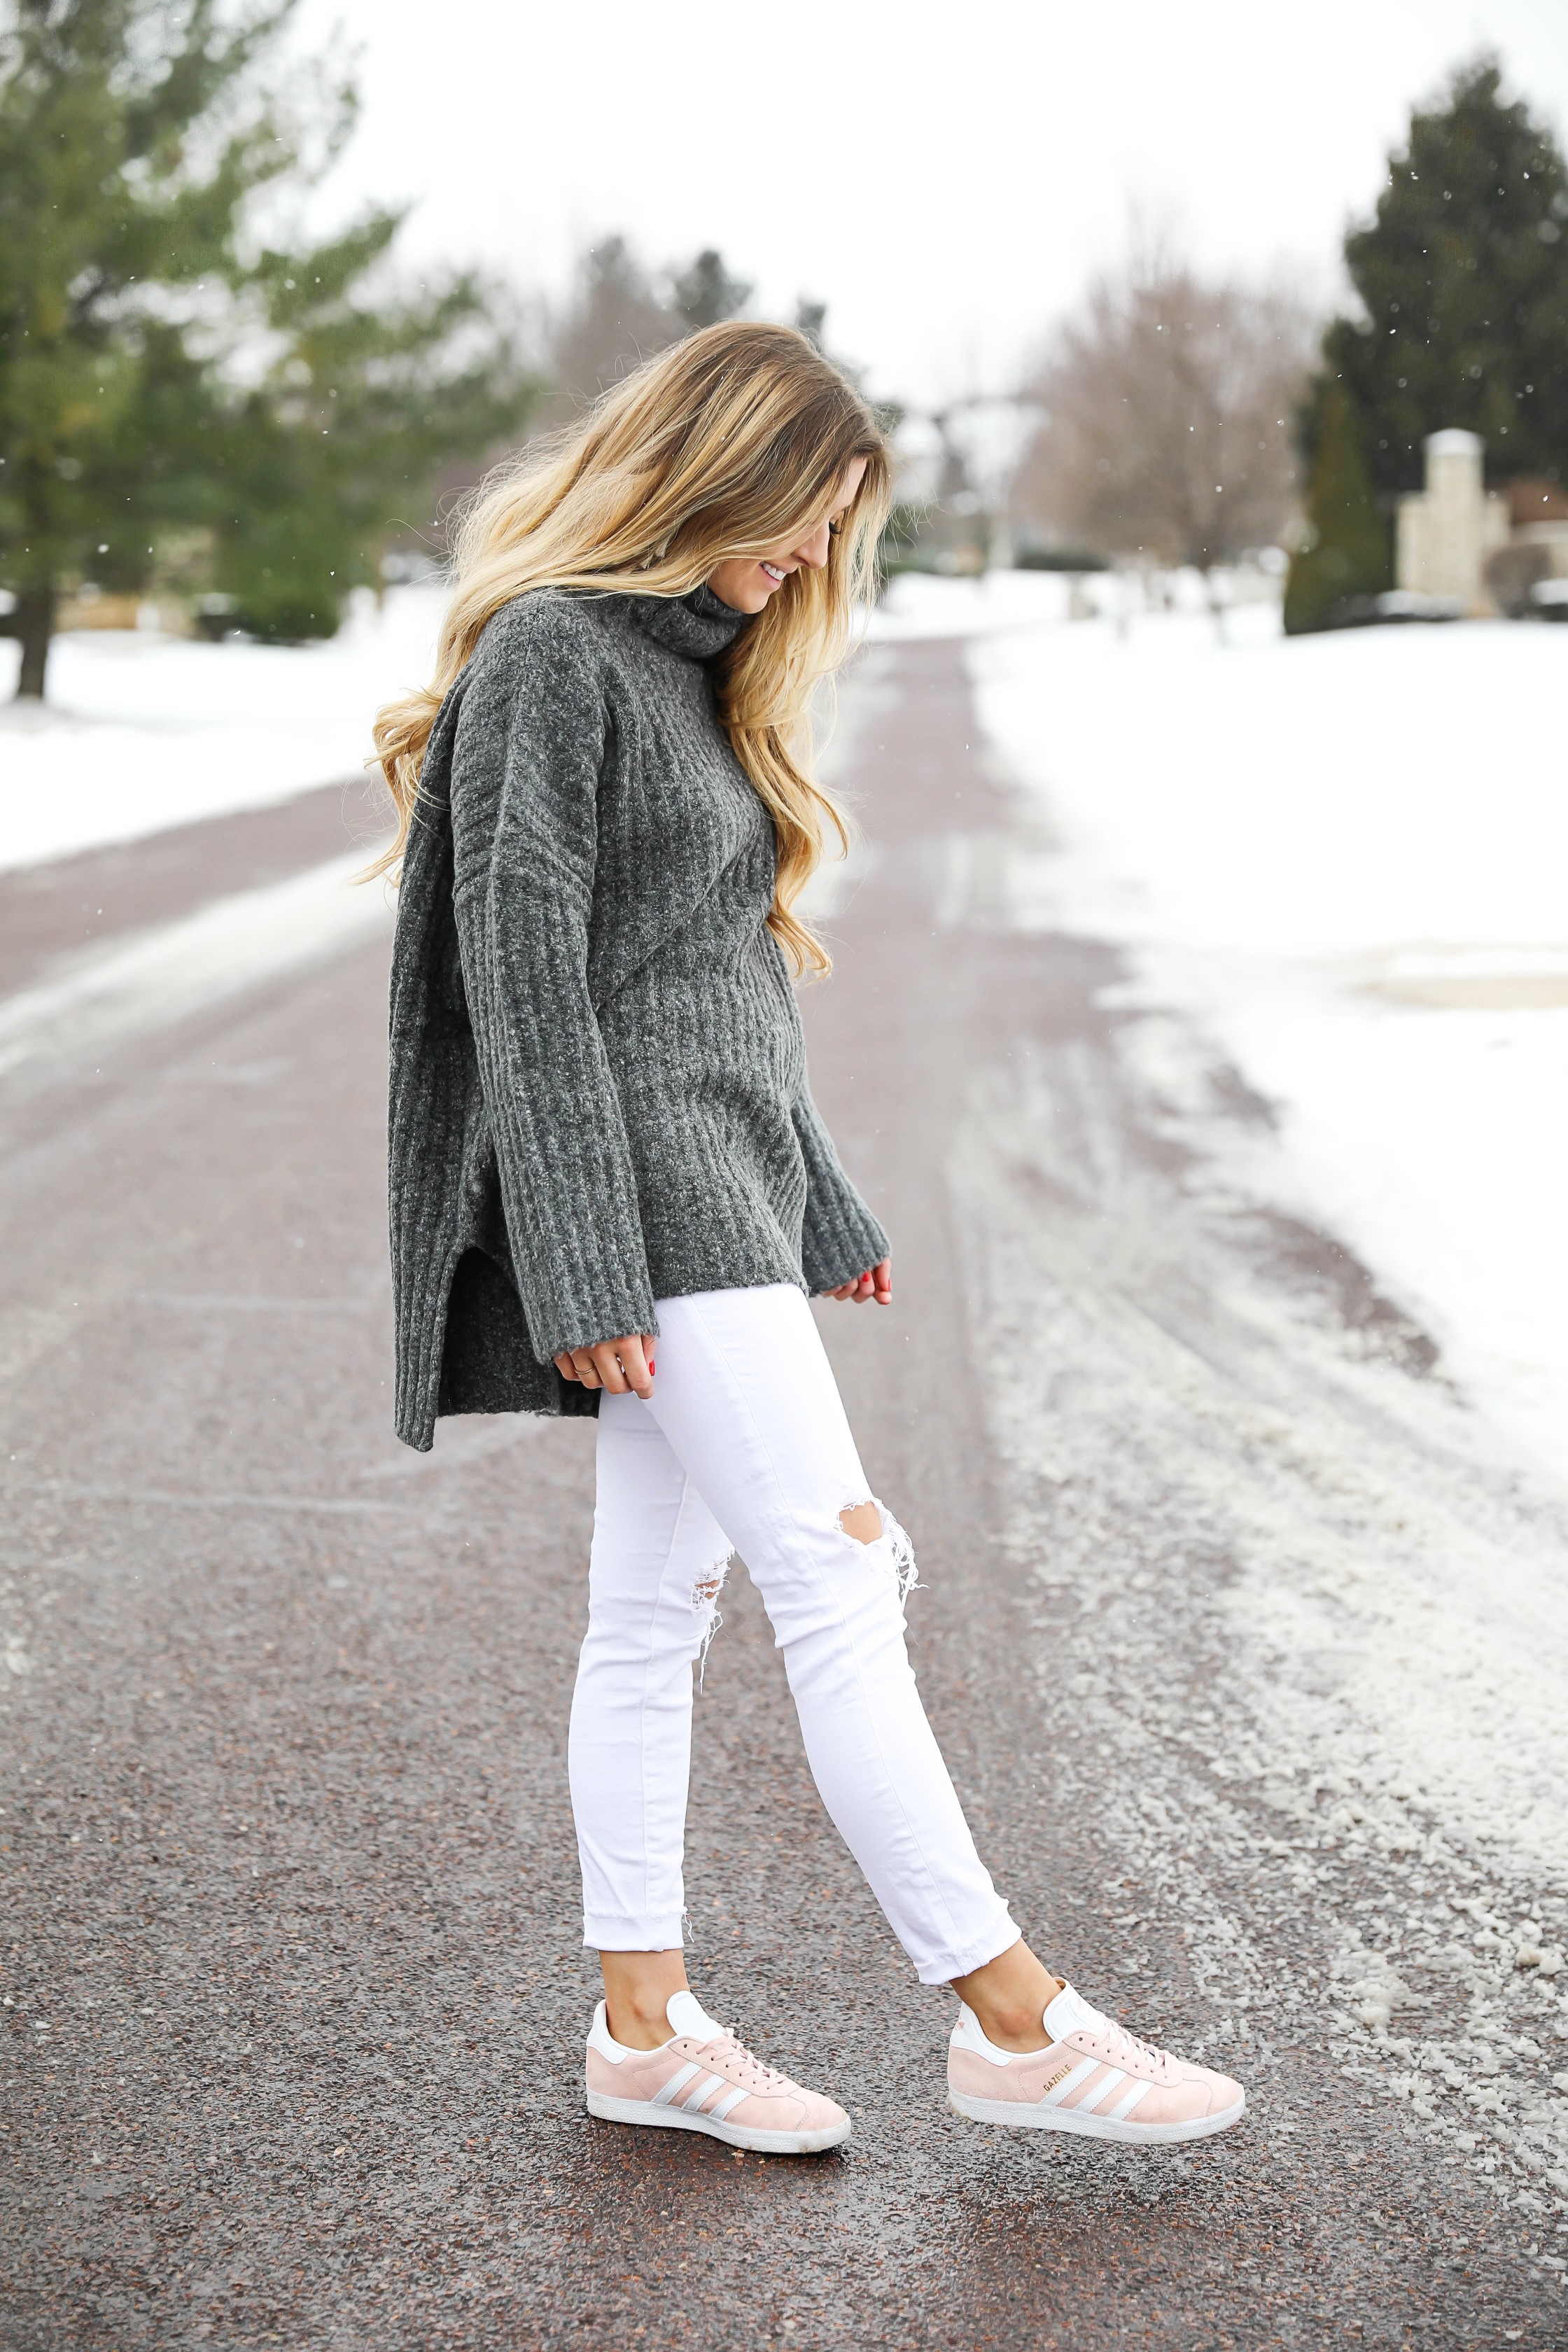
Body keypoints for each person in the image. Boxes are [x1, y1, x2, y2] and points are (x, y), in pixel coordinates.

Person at [374, 322, 1245, 2157]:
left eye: (835, 536)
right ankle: (1009, 2021)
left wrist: (818, 1197)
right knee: (842, 1575)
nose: (810, 565)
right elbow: (531, 990)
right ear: (710, 475)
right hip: (647, 1216)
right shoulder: (554, 659)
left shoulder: (698, 675)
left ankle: (642, 2027)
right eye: (798, 523)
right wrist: (586, 1262)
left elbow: (714, 994)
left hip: (716, 1200)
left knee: (653, 1614)